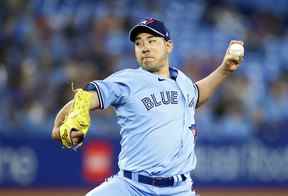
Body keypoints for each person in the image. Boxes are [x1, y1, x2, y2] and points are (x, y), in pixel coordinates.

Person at [51, 18, 244, 196]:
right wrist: (60, 125)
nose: (144, 47)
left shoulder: (182, 80)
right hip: (130, 187)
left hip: (179, 190)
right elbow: (85, 98)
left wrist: (224, 69)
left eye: (152, 41)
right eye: (139, 43)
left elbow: (196, 95)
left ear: (168, 46)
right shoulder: (128, 80)